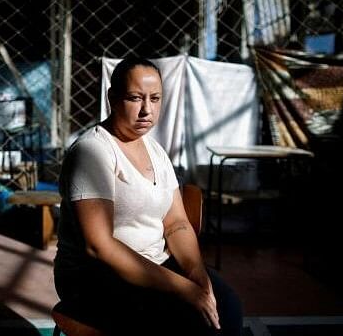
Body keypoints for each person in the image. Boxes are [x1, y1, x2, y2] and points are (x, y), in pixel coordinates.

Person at [54, 57, 243, 336]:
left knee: (228, 306)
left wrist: (196, 273)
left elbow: (176, 222)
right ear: (112, 98)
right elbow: (99, 246)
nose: (147, 110)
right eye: (135, 98)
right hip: (95, 277)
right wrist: (184, 289)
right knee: (188, 321)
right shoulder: (92, 152)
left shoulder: (155, 151)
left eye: (155, 99)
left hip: (153, 265)